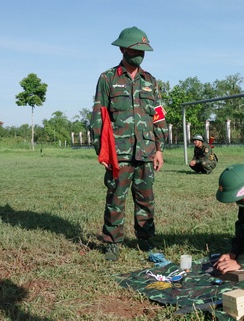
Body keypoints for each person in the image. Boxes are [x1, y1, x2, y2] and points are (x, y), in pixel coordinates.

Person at [90, 26, 168, 261]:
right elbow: (98, 116)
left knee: (146, 199)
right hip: (119, 152)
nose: (140, 55)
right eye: (136, 50)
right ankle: (112, 243)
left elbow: (159, 115)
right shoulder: (108, 79)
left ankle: (145, 241)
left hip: (146, 150)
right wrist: (102, 152)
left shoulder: (150, 81)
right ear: (123, 49)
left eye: (143, 51)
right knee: (116, 198)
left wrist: (159, 149)